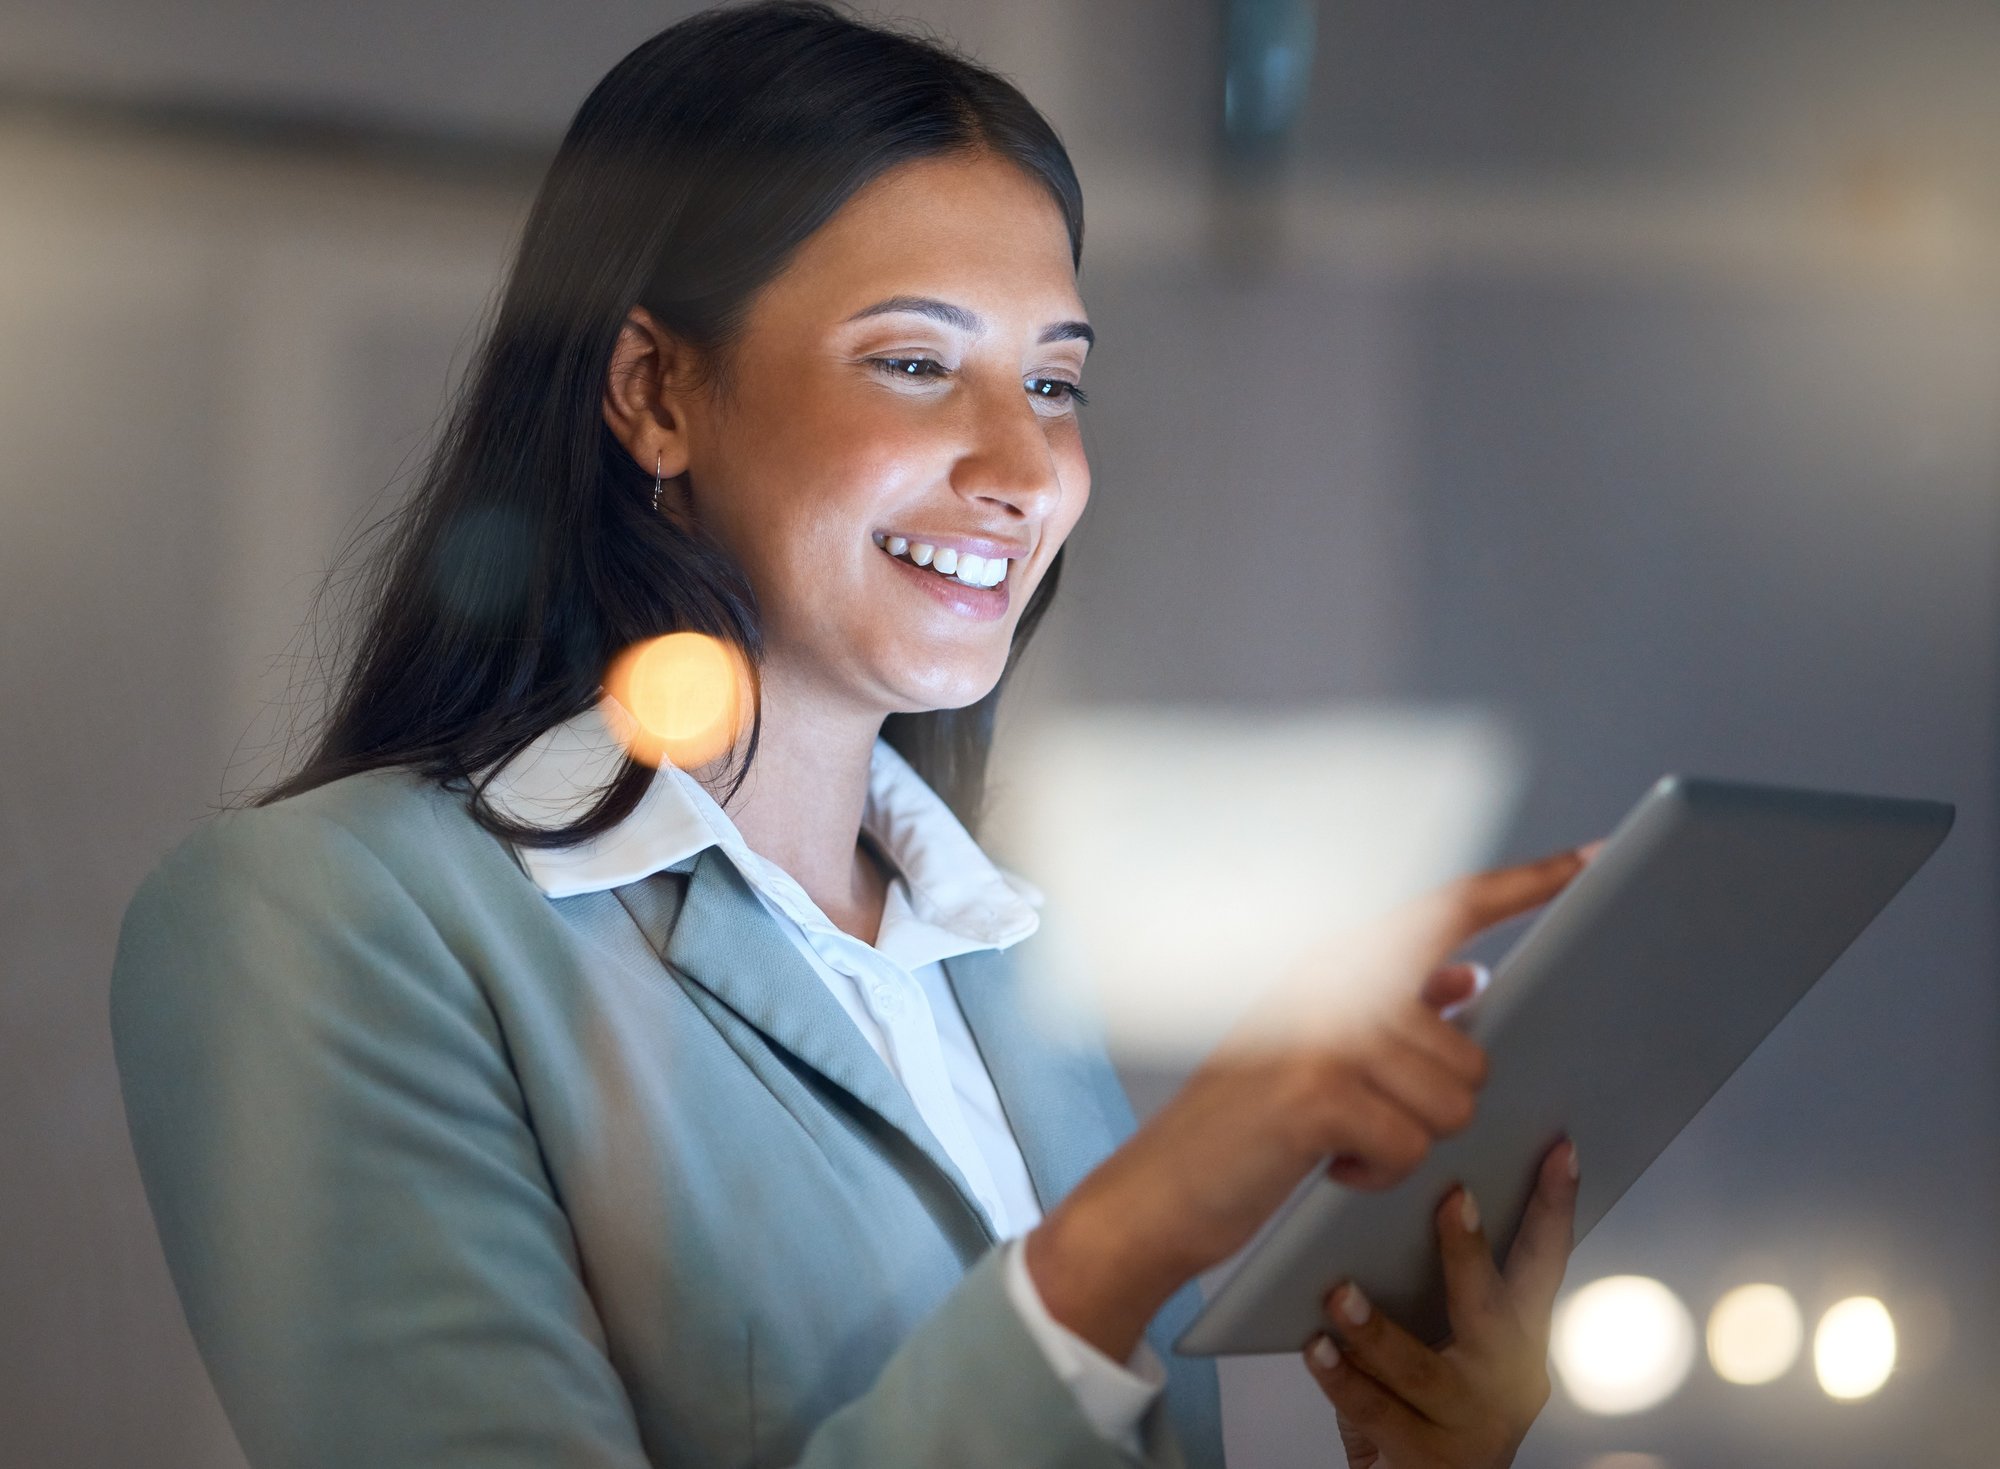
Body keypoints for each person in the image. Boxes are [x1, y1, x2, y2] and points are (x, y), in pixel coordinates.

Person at [110, 5, 1591, 1466]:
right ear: (656, 391)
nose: (1026, 468)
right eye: (914, 362)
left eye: (1055, 382)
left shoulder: (1004, 968)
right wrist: (1130, 1236)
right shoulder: (327, 919)